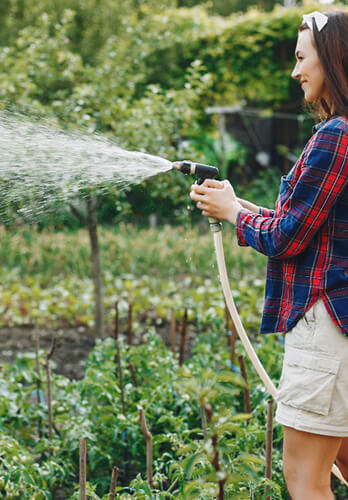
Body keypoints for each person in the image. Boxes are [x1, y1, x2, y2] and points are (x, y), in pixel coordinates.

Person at [190, 10, 348, 500]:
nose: (296, 71)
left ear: (334, 59)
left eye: (302, 58)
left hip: (327, 329)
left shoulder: (336, 135)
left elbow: (285, 239)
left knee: (305, 480)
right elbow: (307, 227)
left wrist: (235, 215)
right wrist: (238, 207)